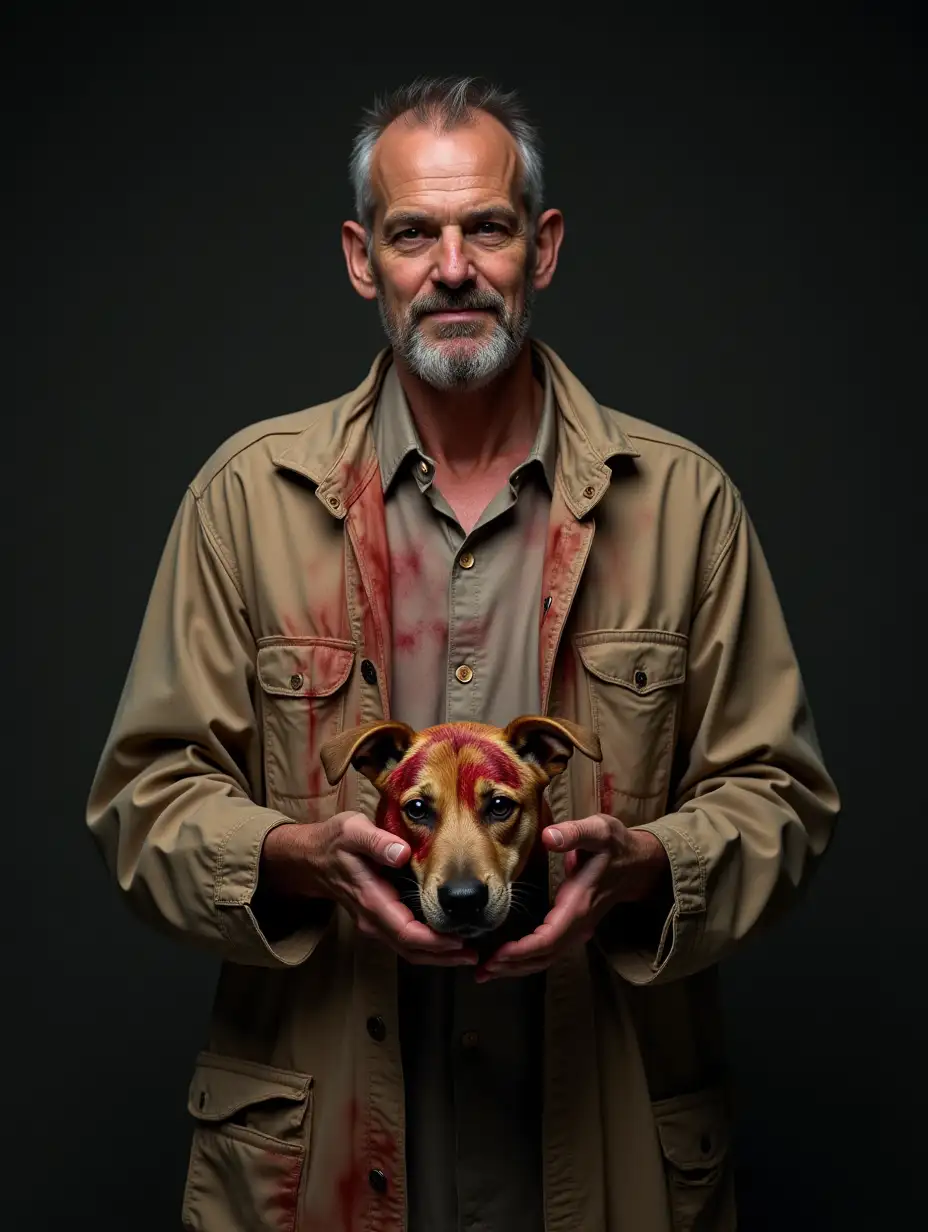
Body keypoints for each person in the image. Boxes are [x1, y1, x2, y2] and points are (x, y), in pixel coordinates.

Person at [87, 75, 840, 1232]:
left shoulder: (684, 503)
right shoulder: (246, 498)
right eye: (411, 233)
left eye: (484, 226)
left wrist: (643, 863)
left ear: (540, 246)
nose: (451, 267)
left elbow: (781, 798)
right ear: (359, 256)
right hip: (324, 1166)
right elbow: (142, 799)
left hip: (600, 1159)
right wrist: (296, 852)